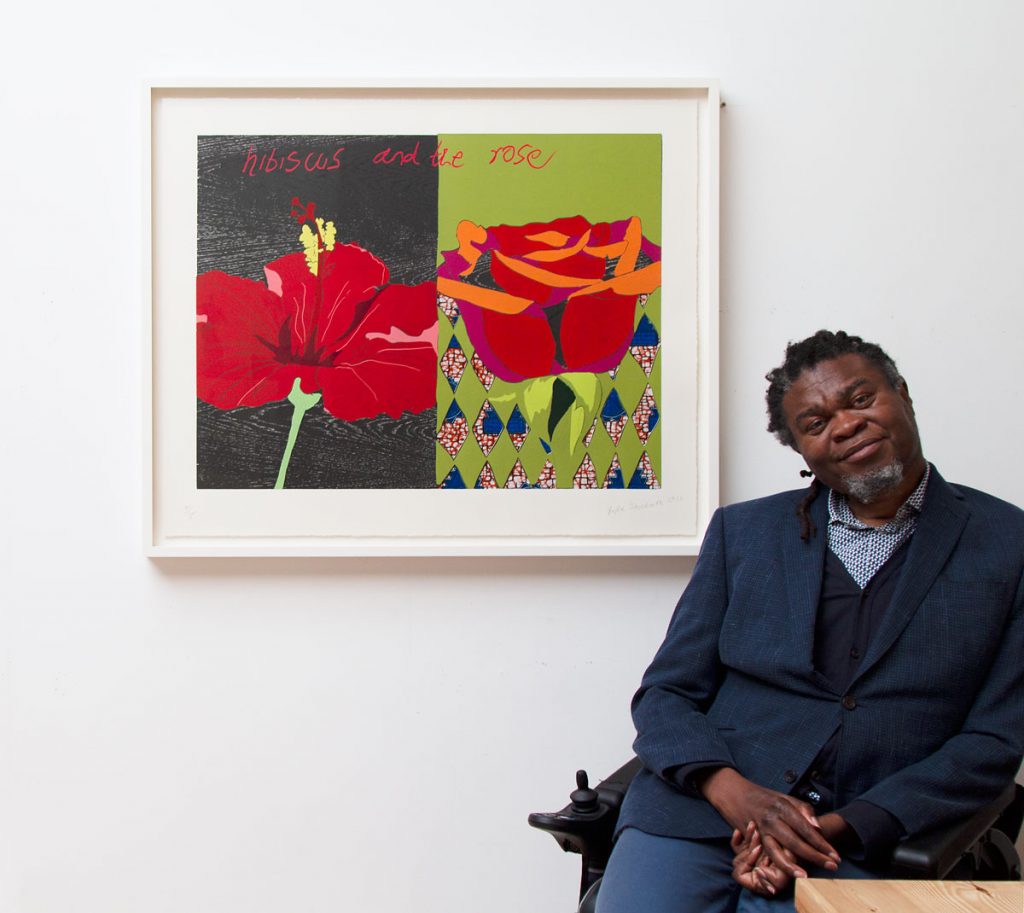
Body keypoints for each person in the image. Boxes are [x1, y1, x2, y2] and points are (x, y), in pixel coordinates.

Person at [595, 330, 1024, 913]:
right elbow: (666, 693)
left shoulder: (1008, 544)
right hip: (699, 812)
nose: (845, 426)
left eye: (860, 399)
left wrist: (839, 826)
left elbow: (995, 739)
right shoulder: (742, 534)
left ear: (902, 395)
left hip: (865, 834)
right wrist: (736, 796)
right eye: (815, 423)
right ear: (801, 450)